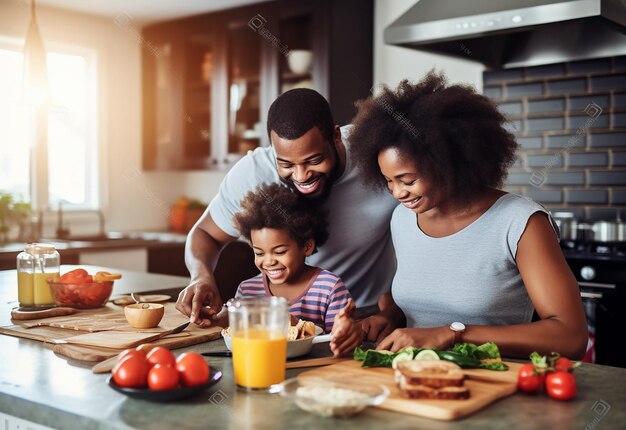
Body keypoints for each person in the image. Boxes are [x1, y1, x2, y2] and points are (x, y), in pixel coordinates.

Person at [349, 71, 588, 359]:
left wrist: (453, 333)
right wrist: (388, 317)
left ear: (447, 162)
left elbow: (570, 336)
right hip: (414, 380)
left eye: (408, 180)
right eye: (389, 181)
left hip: (496, 385)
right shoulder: (402, 219)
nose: (397, 193)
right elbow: (423, 299)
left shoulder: (519, 223)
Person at [176, 88, 401, 340]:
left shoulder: (378, 155)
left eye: (314, 160)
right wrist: (201, 276)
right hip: (279, 330)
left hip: (367, 320)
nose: (301, 175)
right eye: (286, 164)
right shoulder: (252, 174)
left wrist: (393, 310)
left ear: (336, 136)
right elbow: (205, 232)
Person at [214, 183, 362, 356]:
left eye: (280, 252)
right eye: (259, 253)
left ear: (306, 247)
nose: (268, 261)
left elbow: (340, 337)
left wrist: (347, 328)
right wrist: (217, 319)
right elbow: (238, 332)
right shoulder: (247, 291)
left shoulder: (329, 287)